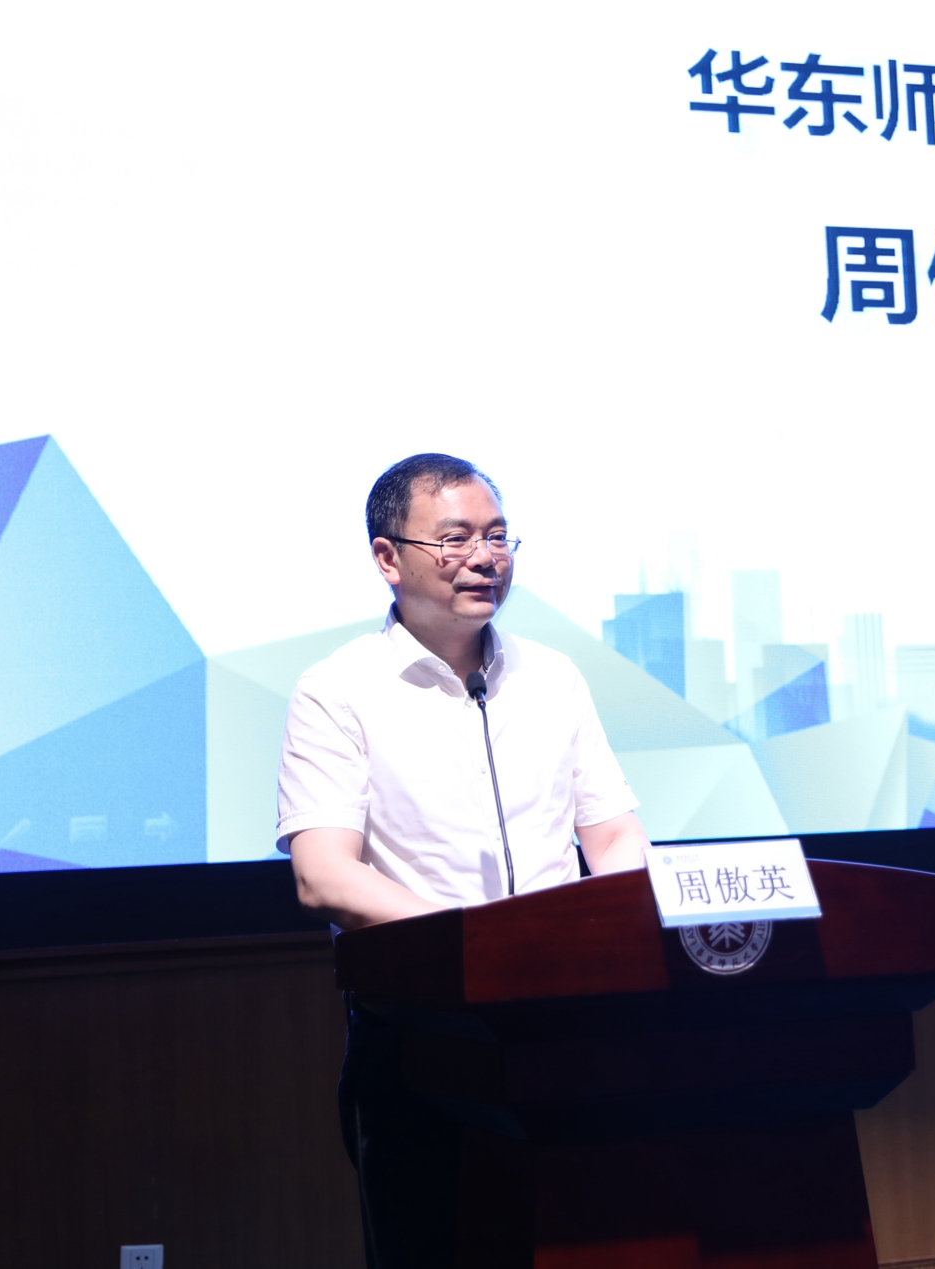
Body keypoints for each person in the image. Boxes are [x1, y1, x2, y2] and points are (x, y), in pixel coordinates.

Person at [276, 452, 649, 1267]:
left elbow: (615, 836)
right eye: (455, 539)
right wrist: (481, 944)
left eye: (498, 536)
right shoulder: (338, 689)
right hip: (421, 1037)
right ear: (388, 557)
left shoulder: (553, 678)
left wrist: (613, 938)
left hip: (569, 1026)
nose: (484, 557)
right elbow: (323, 874)